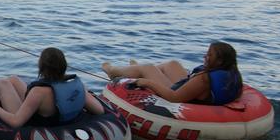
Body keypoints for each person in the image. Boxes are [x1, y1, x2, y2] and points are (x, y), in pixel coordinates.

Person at [0, 47, 104, 128]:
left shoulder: (39, 91)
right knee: (14, 80)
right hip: (52, 112)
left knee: (3, 85)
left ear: (41, 66)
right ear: (63, 66)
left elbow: (16, 122)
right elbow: (99, 110)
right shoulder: (77, 85)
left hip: (35, 121)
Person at [101, 41, 243, 104]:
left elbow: (174, 97)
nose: (205, 57)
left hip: (176, 94)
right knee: (172, 64)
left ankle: (113, 71)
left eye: (209, 55)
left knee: (148, 68)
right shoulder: (230, 71)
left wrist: (146, 82)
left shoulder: (205, 79)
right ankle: (135, 70)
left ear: (219, 61)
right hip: (189, 88)